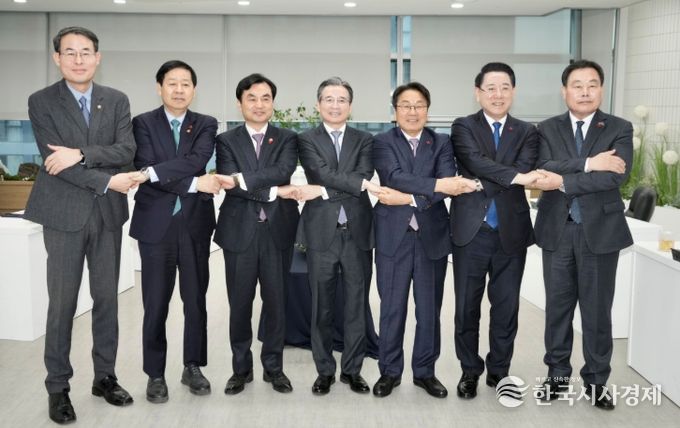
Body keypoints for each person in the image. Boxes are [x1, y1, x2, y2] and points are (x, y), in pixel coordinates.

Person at [24, 26, 137, 424]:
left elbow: (126, 150)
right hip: (63, 215)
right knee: (62, 305)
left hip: (107, 217)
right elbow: (55, 164)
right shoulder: (41, 102)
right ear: (57, 58)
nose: (78, 59)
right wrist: (106, 180)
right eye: (69, 52)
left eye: (85, 52)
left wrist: (82, 154)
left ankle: (105, 377)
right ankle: (58, 387)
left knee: (107, 300)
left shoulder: (116, 100)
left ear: (97, 58)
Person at [531, 59, 631, 410]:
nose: (585, 91)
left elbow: (614, 176)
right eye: (577, 85)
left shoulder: (619, 128)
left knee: (597, 312)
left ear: (601, 89)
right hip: (557, 231)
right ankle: (557, 377)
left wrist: (562, 180)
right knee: (557, 310)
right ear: (565, 91)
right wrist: (590, 163)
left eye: (592, 85)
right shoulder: (546, 129)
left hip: (600, 233)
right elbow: (542, 167)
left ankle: (597, 382)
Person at [371, 82, 478, 399]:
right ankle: (389, 372)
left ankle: (425, 372)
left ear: (427, 110)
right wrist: (436, 185)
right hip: (393, 236)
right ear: (395, 111)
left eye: (419, 105)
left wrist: (410, 198)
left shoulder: (441, 142)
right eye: (405, 105)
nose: (412, 111)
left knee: (429, 310)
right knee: (392, 309)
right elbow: (394, 177)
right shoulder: (382, 141)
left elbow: (448, 184)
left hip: (432, 235)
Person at [128, 60, 219, 403]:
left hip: (194, 226)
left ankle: (192, 366)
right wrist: (195, 183)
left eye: (185, 84)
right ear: (159, 87)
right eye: (172, 83)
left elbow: (196, 159)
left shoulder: (206, 123)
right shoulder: (142, 123)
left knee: (195, 301)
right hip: (155, 227)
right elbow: (145, 163)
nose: (179, 89)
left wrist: (155, 173)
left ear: (194, 89)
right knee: (155, 304)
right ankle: (155, 374)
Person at [449, 62, 541, 399]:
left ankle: (499, 370)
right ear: (478, 93)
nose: (498, 94)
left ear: (513, 92)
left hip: (511, 232)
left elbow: (524, 167)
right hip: (471, 231)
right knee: (466, 308)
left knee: (506, 307)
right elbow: (474, 160)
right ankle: (469, 370)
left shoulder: (528, 131)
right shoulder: (463, 126)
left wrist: (480, 180)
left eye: (504, 88)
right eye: (491, 88)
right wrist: (513, 177)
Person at [214, 73, 300, 395]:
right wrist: (274, 191)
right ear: (240, 103)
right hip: (239, 233)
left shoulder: (287, 138)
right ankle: (241, 369)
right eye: (252, 98)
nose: (259, 104)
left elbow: (283, 171)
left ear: (273, 103)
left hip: (279, 232)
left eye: (266, 98)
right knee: (239, 304)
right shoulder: (226, 140)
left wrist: (243, 178)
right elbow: (229, 181)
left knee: (277, 303)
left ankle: (274, 368)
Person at [296, 77, 379, 395]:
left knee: (357, 304)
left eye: (341, 99)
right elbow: (320, 173)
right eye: (329, 99)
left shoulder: (365, 139)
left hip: (357, 232)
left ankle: (352, 370)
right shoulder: (306, 139)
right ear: (319, 105)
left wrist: (323, 190)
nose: (335, 105)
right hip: (321, 233)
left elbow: (363, 175)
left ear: (350, 106)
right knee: (322, 306)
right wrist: (351, 184)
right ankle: (324, 371)